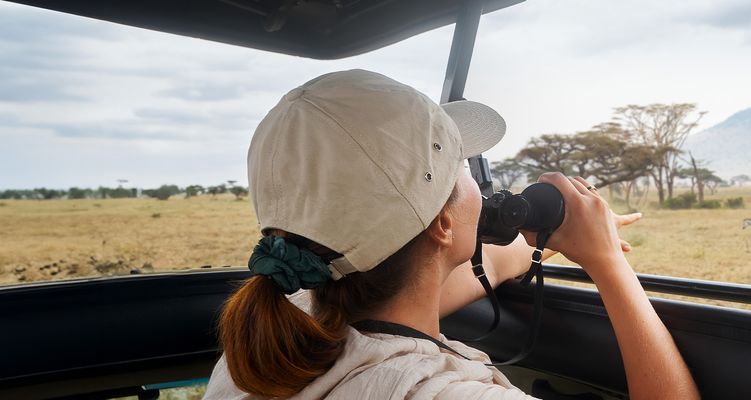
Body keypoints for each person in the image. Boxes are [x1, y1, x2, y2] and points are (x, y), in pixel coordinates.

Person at [204, 69, 700, 399]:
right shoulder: (441, 393)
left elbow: (491, 262)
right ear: (442, 223)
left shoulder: (274, 339)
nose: (481, 189)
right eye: (461, 169)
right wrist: (609, 264)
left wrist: (557, 239)